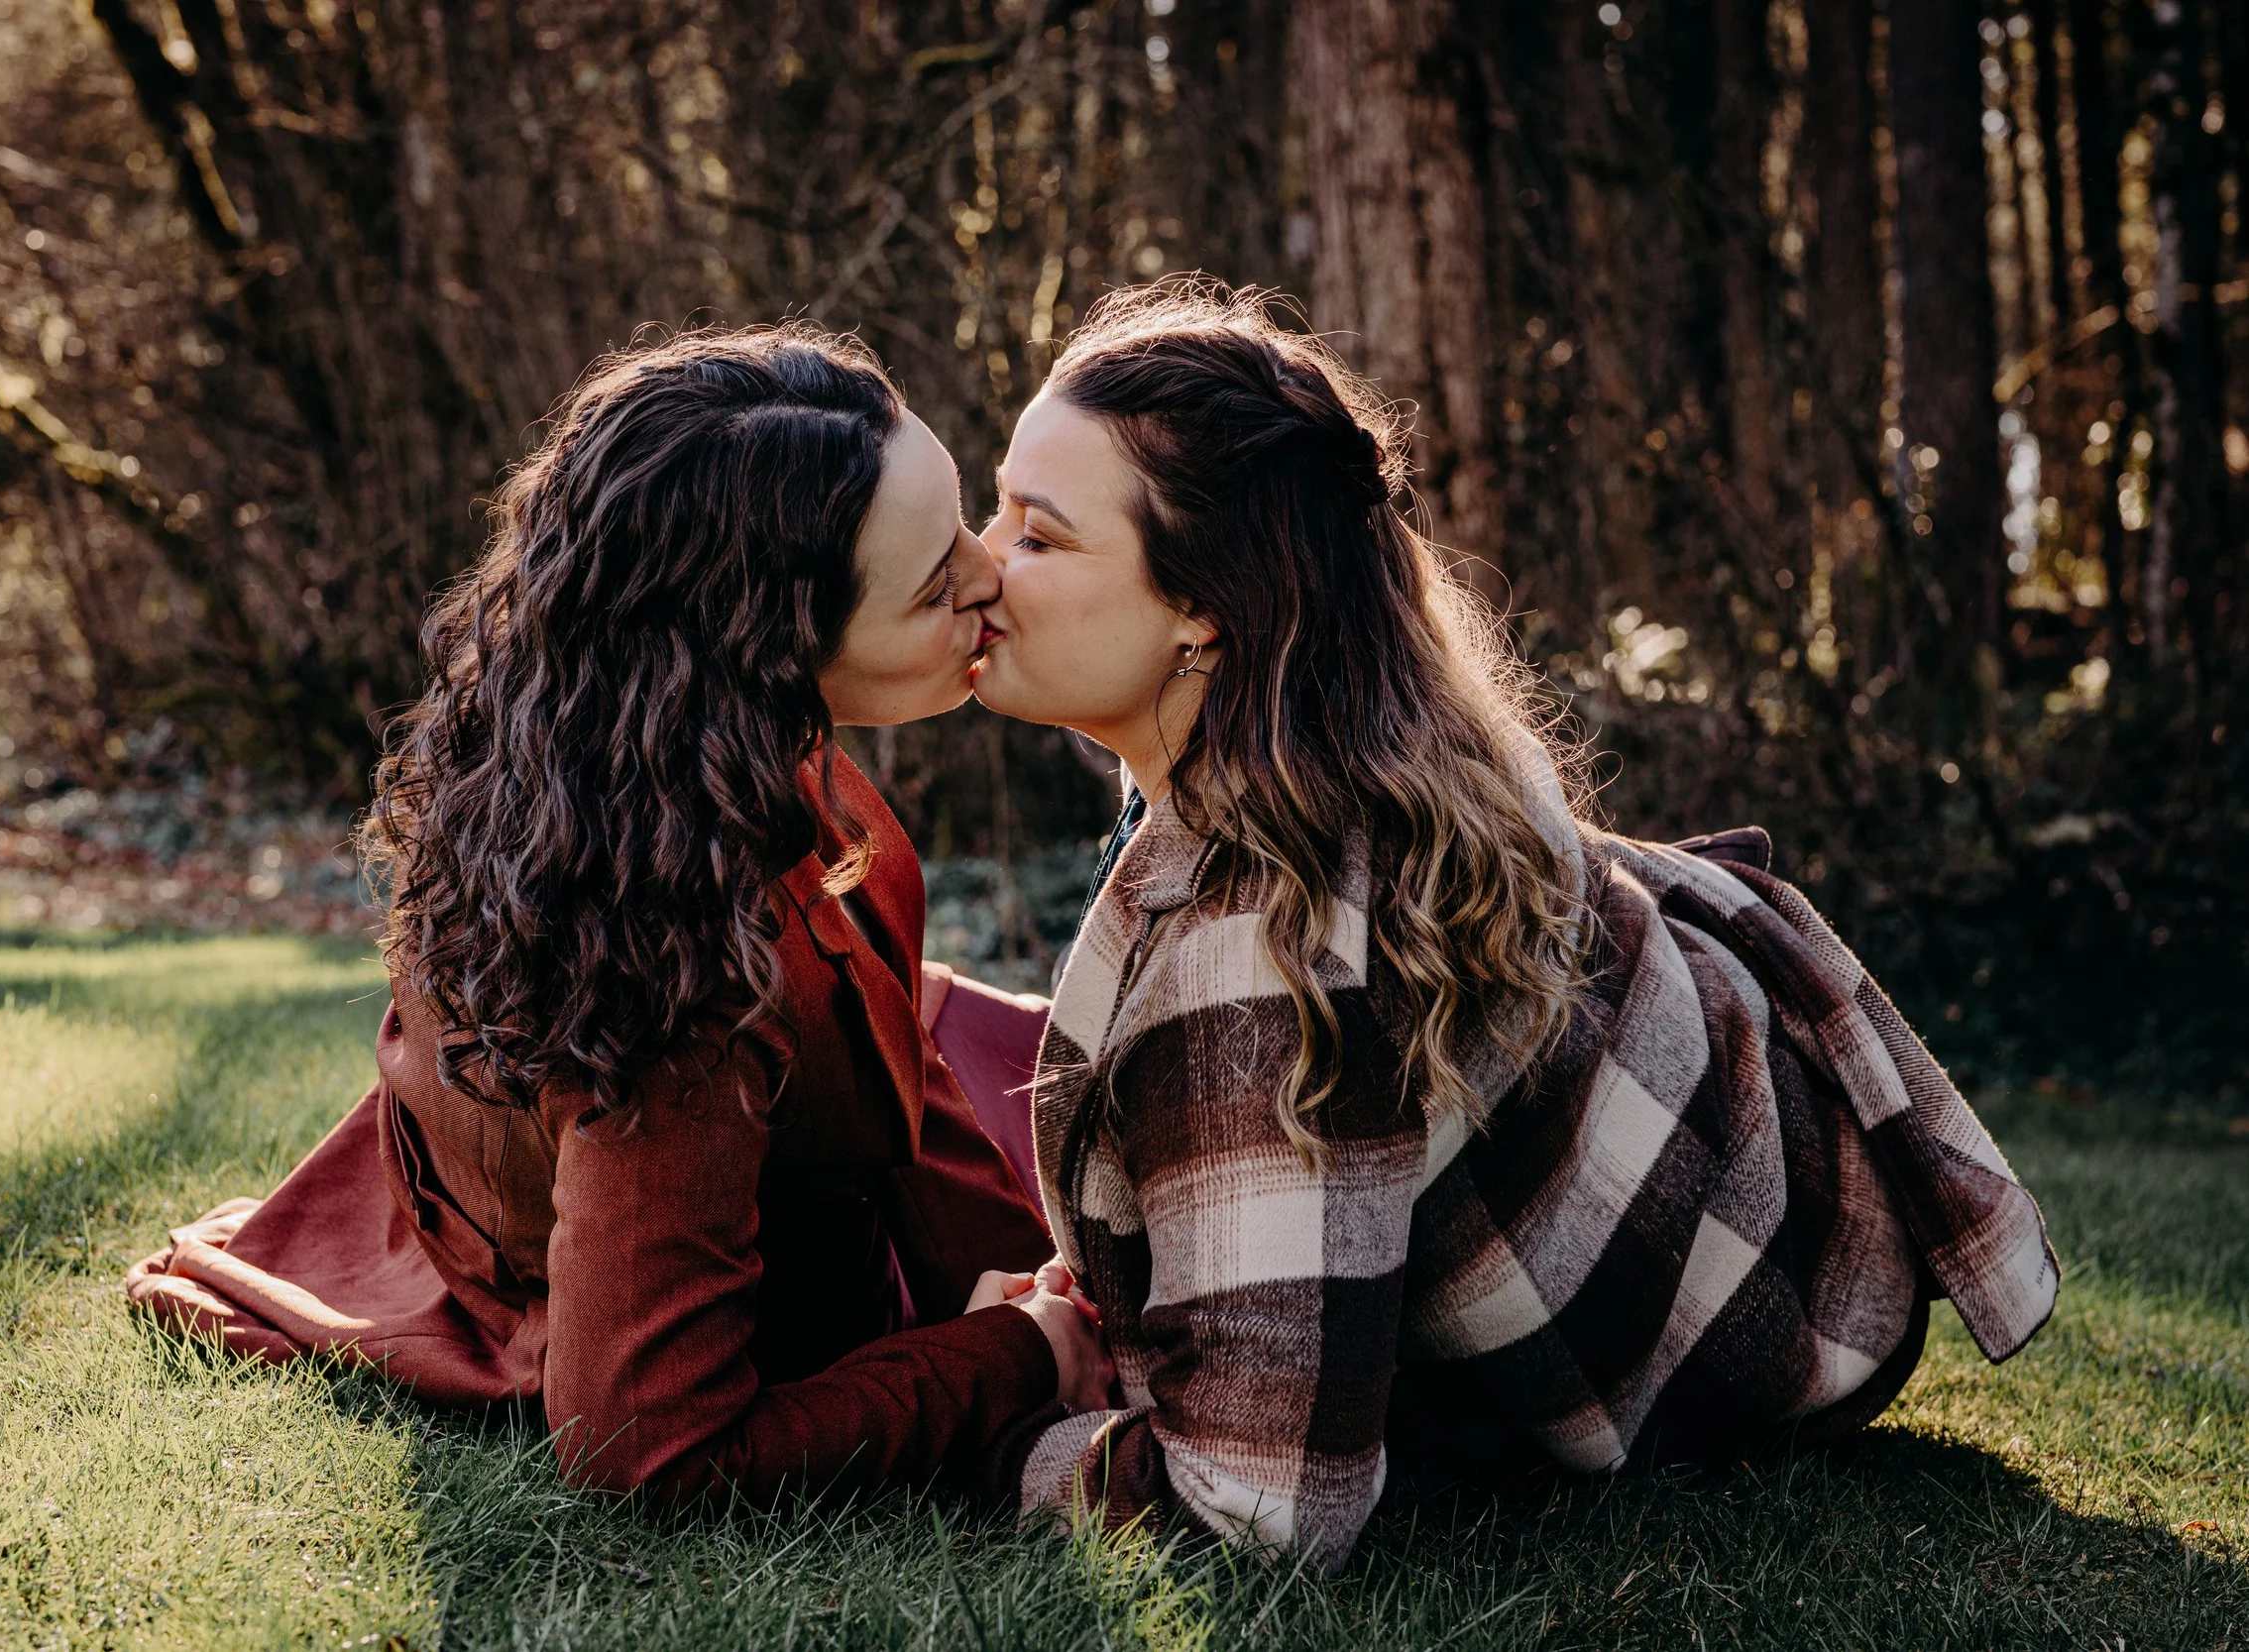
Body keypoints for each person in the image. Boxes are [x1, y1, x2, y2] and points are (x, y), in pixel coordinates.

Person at [966, 281, 2060, 1572]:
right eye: (997, 509)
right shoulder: (1353, 741)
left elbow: (1253, 1508)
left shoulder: (1275, 936)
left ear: (1207, 605)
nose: (980, 559)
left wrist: (999, 1422)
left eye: (1038, 536)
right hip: (1767, 1223)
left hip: (1749, 1324)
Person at [126, 324, 1112, 1502]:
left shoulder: (669, 758)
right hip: (688, 1221)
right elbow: (648, 1449)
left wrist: (1024, 1272)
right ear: (769, 648)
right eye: (929, 581)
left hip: (815, 1147)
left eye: (960, 524)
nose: (986, 573)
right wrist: (1014, 1351)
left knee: (1105, 1079)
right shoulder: (670, 987)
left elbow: (885, 1031)